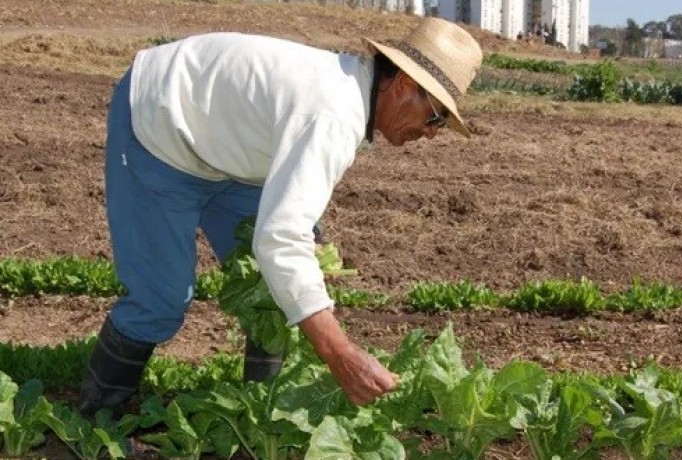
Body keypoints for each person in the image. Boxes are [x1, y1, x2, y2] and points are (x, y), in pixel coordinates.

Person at [79, 17, 483, 416]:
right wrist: (339, 353)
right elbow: (281, 238)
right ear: (404, 86)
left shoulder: (346, 97)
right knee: (161, 298)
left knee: (272, 286)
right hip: (160, 123)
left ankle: (263, 415)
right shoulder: (332, 115)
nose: (432, 132)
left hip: (223, 148)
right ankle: (96, 422)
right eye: (436, 117)